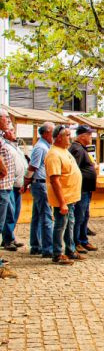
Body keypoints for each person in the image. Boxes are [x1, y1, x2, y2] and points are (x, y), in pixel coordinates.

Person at [45, 125, 83, 265]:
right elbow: (54, 180)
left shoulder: (64, 150)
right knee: (60, 225)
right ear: (59, 137)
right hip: (63, 198)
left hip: (70, 197)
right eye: (67, 135)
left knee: (69, 224)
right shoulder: (54, 154)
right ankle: (57, 253)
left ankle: (70, 250)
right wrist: (62, 203)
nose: (70, 137)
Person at [25, 122, 55, 258]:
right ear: (46, 133)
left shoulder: (45, 146)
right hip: (40, 184)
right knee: (46, 216)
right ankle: (47, 248)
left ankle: (36, 245)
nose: (54, 135)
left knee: (37, 216)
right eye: (53, 132)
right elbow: (32, 167)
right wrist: (25, 183)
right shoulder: (40, 147)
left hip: (40, 184)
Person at [69, 125, 98, 254]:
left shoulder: (81, 148)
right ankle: (76, 242)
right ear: (82, 136)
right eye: (89, 135)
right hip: (81, 189)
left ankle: (83, 239)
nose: (91, 137)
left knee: (84, 215)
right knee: (79, 216)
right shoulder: (77, 149)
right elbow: (74, 170)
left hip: (86, 189)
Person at [1, 127, 27, 250]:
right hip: (9, 184)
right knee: (9, 213)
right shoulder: (5, 146)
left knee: (15, 212)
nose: (13, 133)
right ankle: (8, 239)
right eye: (11, 130)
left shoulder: (15, 146)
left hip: (18, 184)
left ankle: (9, 237)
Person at [0, 108, 17, 278]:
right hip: (1, 186)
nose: (8, 121)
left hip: (6, 187)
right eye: (6, 118)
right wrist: (3, 168)